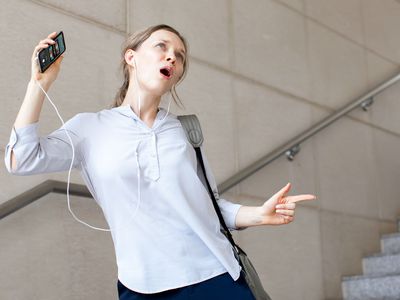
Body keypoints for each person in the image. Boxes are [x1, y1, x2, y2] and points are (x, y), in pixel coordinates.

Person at [4, 24, 316, 300]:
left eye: (179, 56)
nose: (172, 58)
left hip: (215, 276)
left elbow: (209, 205)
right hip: (141, 286)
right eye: (161, 47)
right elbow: (22, 159)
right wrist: (39, 84)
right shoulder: (89, 128)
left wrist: (259, 214)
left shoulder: (183, 130)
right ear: (131, 57)